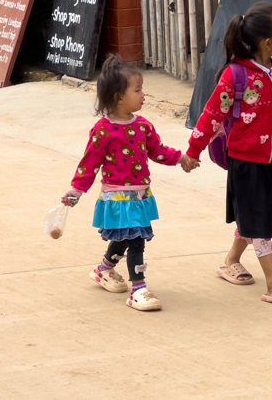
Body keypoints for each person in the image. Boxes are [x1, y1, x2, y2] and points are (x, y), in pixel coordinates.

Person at [181, 2, 272, 303]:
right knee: (260, 221)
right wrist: (193, 151)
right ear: (268, 43)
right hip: (244, 162)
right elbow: (212, 114)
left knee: (256, 216)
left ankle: (230, 261)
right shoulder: (235, 75)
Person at [60, 55, 183, 312]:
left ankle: (103, 269)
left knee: (126, 238)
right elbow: (89, 164)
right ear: (118, 97)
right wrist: (76, 191)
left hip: (139, 197)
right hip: (117, 198)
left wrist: (180, 158)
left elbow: (157, 151)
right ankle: (138, 289)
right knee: (136, 239)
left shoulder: (143, 126)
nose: (143, 95)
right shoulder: (102, 130)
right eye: (137, 90)